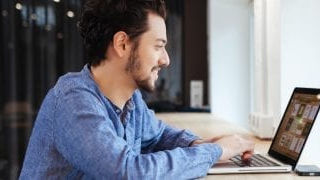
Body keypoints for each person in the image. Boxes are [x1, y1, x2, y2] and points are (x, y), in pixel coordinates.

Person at [19, 0, 254, 179]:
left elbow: (160, 136)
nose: (166, 60)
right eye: (158, 47)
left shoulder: (131, 101)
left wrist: (200, 145)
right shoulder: (73, 100)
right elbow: (128, 173)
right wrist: (214, 152)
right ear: (122, 44)